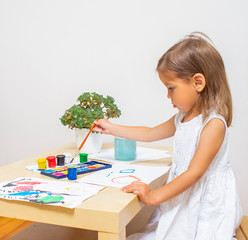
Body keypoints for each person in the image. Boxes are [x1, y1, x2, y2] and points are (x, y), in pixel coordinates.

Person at [93, 32, 242, 240]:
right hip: (183, 197)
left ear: (198, 83)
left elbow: (194, 174)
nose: (168, 96)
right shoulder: (183, 118)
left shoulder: (213, 124)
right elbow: (150, 133)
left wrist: (154, 196)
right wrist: (112, 128)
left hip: (205, 206)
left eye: (171, 88)